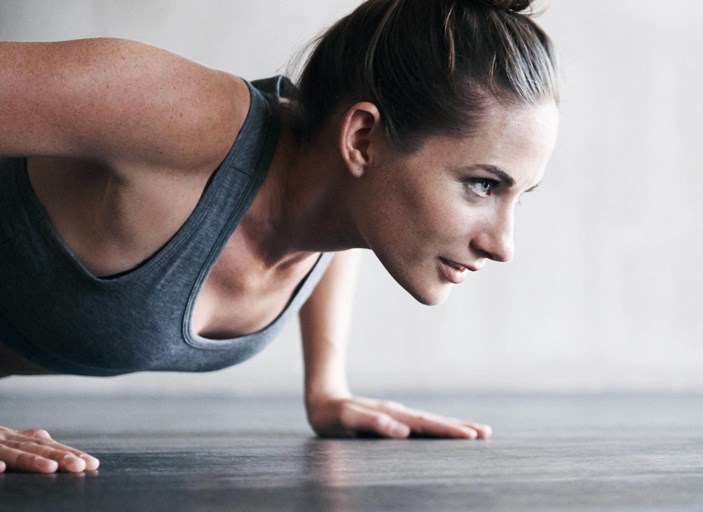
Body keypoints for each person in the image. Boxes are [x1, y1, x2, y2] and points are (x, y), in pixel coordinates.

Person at [0, 0, 559, 474]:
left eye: (519, 195)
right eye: (483, 185)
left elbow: (342, 223)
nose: (502, 244)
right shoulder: (187, 121)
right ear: (362, 138)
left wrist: (327, 388)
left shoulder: (336, 202)